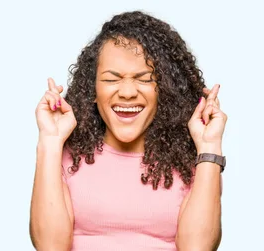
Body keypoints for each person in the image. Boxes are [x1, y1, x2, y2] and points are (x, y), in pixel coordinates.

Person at [29, 11, 226, 251]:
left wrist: (209, 147)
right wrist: (50, 141)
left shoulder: (191, 163)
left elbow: (198, 247)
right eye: (112, 79)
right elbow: (49, 246)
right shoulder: (65, 157)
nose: (127, 92)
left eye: (144, 79)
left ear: (164, 89)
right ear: (93, 89)